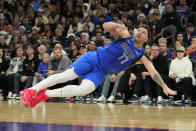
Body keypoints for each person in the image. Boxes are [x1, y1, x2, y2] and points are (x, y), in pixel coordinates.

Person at [20, 22, 177, 108]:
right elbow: (105, 26)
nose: (140, 32)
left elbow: (154, 72)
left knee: (83, 90)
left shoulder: (141, 55)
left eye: (143, 32)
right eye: (139, 30)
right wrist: (116, 24)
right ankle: (30, 90)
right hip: (93, 58)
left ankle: (44, 95)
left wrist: (164, 86)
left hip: (102, 72)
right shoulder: (125, 36)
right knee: (66, 76)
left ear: (146, 39)